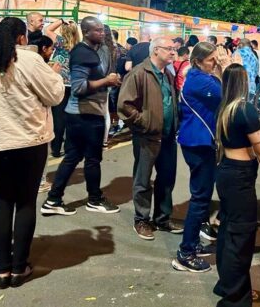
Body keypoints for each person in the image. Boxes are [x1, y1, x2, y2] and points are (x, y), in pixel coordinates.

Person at [0, 17, 64, 288]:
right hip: (28, 141)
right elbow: (54, 95)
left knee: (2, 201)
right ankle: (19, 268)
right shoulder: (29, 61)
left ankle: (2, 270)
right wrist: (54, 72)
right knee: (24, 203)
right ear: (21, 38)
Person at [41, 16, 122, 216]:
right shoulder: (83, 53)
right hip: (85, 114)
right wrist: (106, 81)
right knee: (92, 158)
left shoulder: (89, 51)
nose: (102, 34)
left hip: (84, 113)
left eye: (103, 30)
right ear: (86, 32)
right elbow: (78, 87)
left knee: (73, 156)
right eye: (98, 31)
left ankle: (53, 199)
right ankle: (93, 199)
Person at [213, 63, 260, 307]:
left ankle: (229, 285)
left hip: (227, 171)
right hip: (239, 176)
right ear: (244, 82)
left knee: (229, 232)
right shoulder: (244, 109)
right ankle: (236, 298)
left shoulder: (224, 108)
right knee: (241, 237)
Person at [118, 36, 183, 240]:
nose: (173, 52)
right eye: (169, 49)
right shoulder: (139, 73)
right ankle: (142, 220)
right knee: (143, 179)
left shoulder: (167, 74)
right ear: (155, 50)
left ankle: (162, 218)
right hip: (148, 136)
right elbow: (124, 105)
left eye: (174, 49)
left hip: (168, 136)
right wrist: (144, 122)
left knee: (166, 179)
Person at [172, 42, 221, 273]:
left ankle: (192, 244)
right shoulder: (200, 80)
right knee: (200, 197)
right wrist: (229, 69)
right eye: (212, 59)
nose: (216, 63)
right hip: (198, 143)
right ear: (198, 61)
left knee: (202, 195)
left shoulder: (198, 76)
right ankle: (186, 252)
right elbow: (226, 93)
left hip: (199, 142)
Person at [45, 19, 81, 158]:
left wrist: (61, 21)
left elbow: (47, 30)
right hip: (75, 84)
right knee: (71, 117)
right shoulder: (79, 46)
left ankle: (55, 148)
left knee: (58, 117)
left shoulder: (59, 42)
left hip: (60, 83)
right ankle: (69, 147)